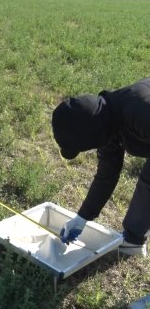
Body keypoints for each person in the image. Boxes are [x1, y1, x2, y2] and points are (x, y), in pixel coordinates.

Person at [51, 77, 150, 257]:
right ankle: (133, 240)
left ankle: (133, 240)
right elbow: (107, 174)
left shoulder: (141, 112)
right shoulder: (105, 121)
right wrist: (82, 218)